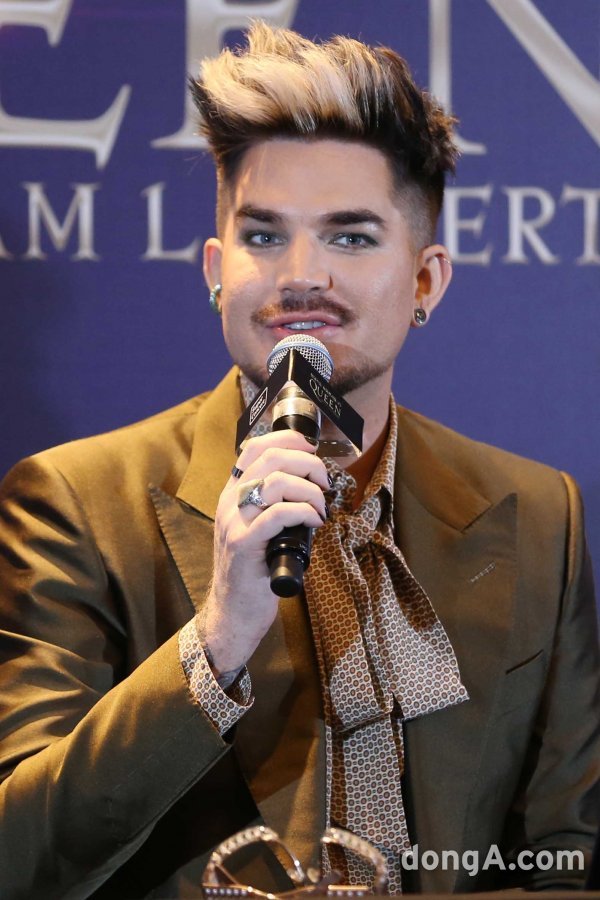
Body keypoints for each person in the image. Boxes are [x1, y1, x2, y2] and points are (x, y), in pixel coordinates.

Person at [0, 21, 598, 899]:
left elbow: (568, 857)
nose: (300, 275)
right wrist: (216, 640)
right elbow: (17, 859)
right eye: (264, 235)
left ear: (426, 280)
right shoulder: (76, 502)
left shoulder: (539, 514)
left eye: (350, 237)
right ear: (216, 269)